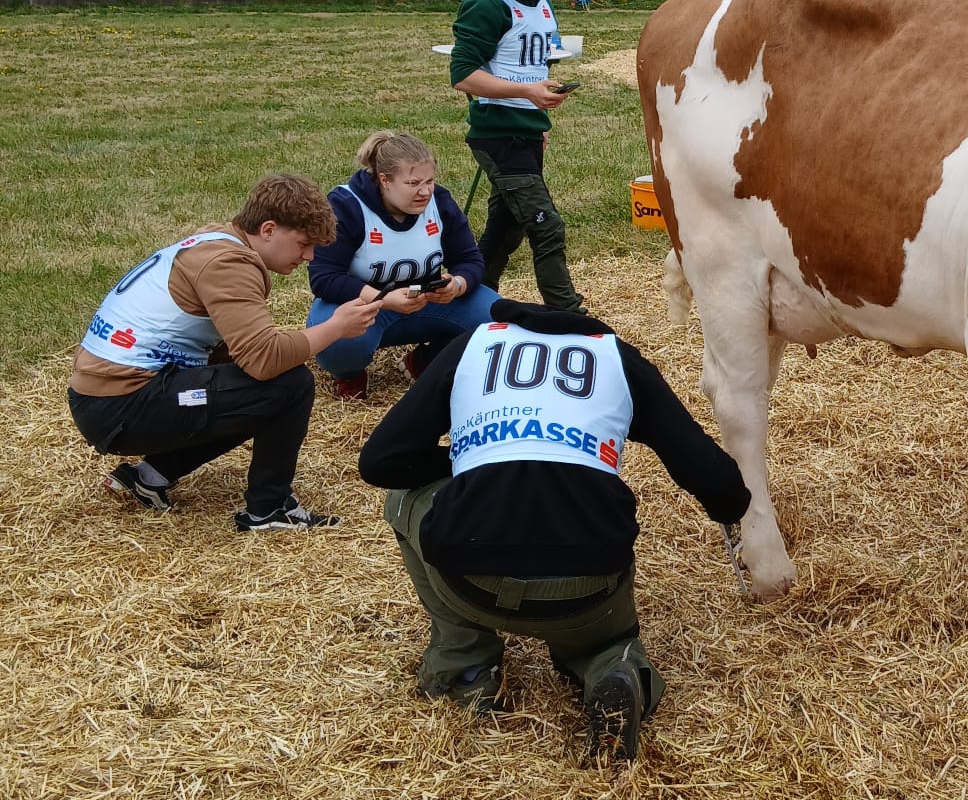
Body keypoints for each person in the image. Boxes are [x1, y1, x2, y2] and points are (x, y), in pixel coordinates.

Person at [358, 297, 751, 760]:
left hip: (468, 576)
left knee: (402, 498)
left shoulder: (473, 346)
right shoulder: (618, 359)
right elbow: (723, 488)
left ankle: (464, 667)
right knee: (605, 638)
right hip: (586, 587)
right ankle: (610, 667)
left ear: (508, 322)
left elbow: (379, 462)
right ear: (592, 332)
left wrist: (472, 456)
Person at [68, 174, 380, 530]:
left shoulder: (216, 240)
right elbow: (264, 360)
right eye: (304, 243)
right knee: (288, 385)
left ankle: (150, 476)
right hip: (121, 407)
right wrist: (336, 327)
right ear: (268, 229)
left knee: (249, 388)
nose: (309, 256)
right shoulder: (228, 264)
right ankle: (268, 509)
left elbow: (238, 355)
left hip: (107, 397)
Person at [449, 0, 583, 311]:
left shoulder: (541, 4)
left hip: (527, 131)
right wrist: (527, 93)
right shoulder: (487, 4)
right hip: (497, 135)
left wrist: (541, 106)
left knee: (504, 232)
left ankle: (467, 303)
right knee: (547, 227)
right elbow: (463, 76)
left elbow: (529, 67)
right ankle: (567, 315)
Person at [306, 130, 499, 400]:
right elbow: (323, 278)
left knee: (495, 318)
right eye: (413, 183)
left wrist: (456, 284)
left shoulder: (439, 202)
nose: (425, 191)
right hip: (367, 304)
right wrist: (383, 299)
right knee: (340, 343)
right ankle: (349, 374)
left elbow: (470, 260)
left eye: (429, 181)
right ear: (384, 180)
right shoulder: (347, 205)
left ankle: (429, 360)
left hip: (427, 299)